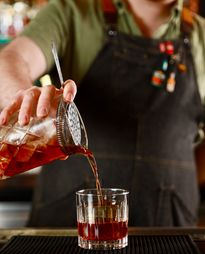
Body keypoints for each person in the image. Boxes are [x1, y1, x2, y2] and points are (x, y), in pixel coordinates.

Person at [0, 0, 205, 227]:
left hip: (169, 227)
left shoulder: (201, 36)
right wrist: (24, 97)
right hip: (68, 228)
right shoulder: (72, 13)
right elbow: (12, 60)